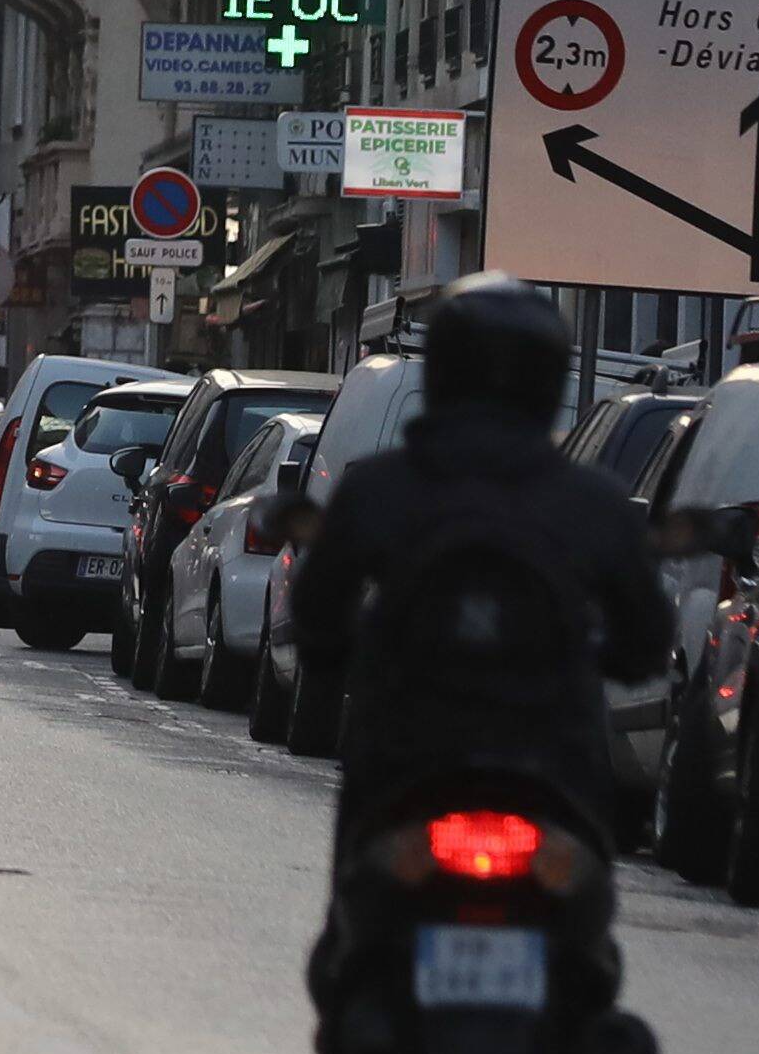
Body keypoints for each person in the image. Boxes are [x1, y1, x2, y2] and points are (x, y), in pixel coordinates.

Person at [285, 276, 672, 857]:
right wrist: (604, 654)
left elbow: (316, 609)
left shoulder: (380, 488)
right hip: (549, 758)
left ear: (441, 370)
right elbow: (645, 634)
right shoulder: (593, 502)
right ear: (547, 380)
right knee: (582, 929)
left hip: (405, 750)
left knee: (361, 924)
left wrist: (346, 652)